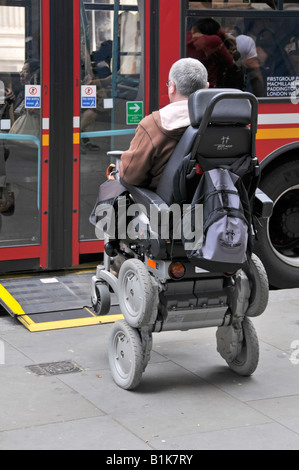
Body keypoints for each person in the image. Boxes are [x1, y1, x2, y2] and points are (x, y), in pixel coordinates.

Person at [118, 58, 209, 189]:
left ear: (172, 86)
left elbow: (130, 176)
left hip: (166, 206)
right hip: (215, 204)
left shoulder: (153, 124)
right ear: (206, 87)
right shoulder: (225, 122)